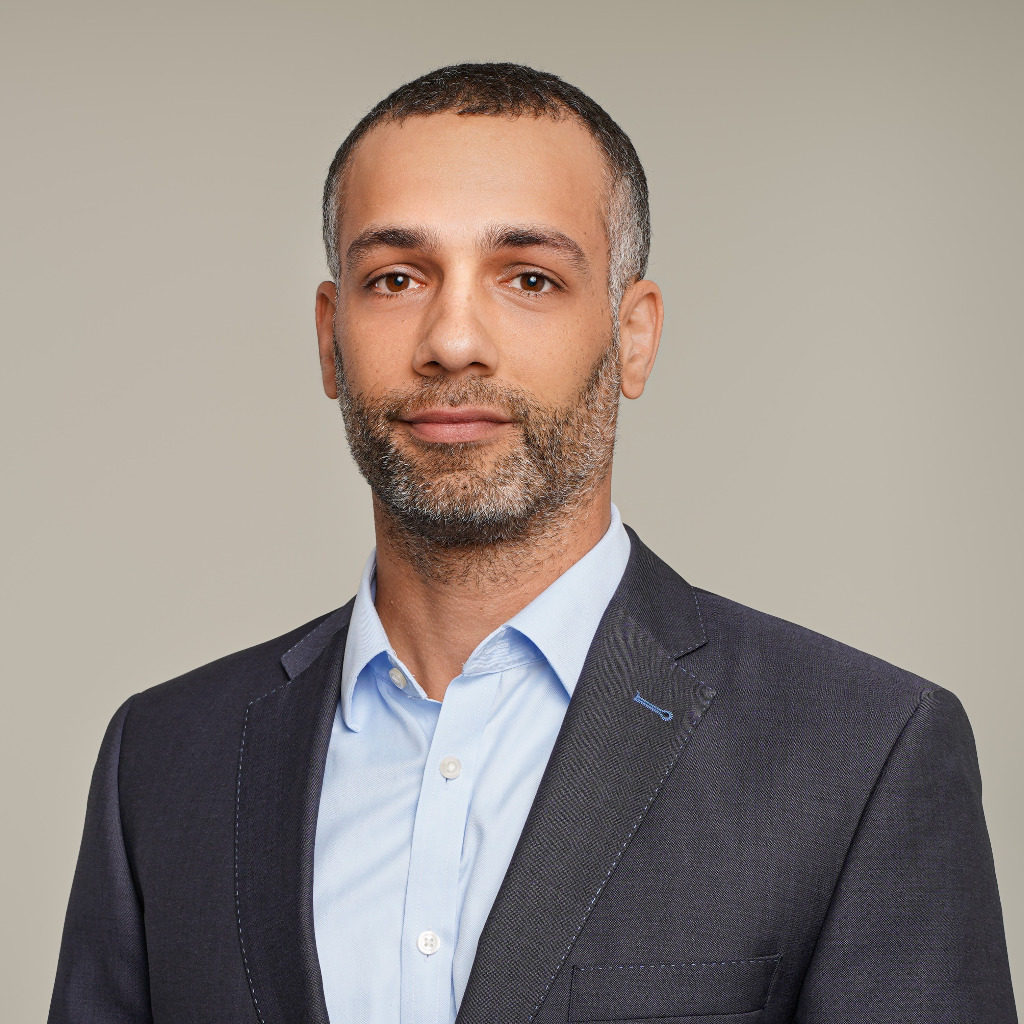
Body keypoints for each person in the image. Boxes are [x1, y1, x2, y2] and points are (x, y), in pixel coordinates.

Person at [48, 63, 1016, 1024]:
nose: (452, 340)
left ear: (632, 336)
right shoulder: (164, 758)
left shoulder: (862, 754)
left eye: (528, 278)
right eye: (396, 277)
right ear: (330, 335)